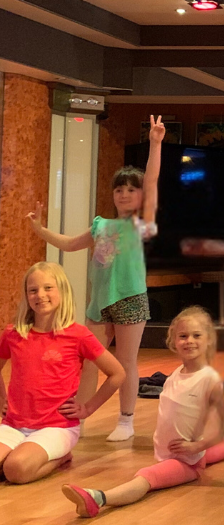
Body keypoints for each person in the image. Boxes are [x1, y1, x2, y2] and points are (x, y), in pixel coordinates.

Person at [61, 306, 224, 517]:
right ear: (173, 341)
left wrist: (196, 447)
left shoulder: (210, 380)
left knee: (147, 477)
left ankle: (99, 498)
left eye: (197, 335)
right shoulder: (176, 373)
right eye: (183, 336)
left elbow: (223, 427)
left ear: (209, 340)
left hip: (186, 461)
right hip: (173, 450)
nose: (189, 341)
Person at [27, 114, 165, 441]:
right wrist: (40, 230)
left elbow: (151, 182)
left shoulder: (141, 224)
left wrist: (155, 144)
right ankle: (79, 418)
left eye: (131, 190)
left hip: (130, 298)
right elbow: (69, 244)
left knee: (126, 362)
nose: (124, 194)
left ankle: (126, 420)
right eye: (119, 189)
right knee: (89, 361)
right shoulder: (101, 225)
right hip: (99, 302)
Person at [0, 262, 124, 484]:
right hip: (14, 424)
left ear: (62, 291)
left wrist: (88, 408)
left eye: (48, 288)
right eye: (33, 290)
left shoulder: (78, 335)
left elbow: (117, 374)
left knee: (15, 469)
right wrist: (1, 399)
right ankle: (27, 454)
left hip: (57, 426)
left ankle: (60, 457)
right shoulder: (14, 333)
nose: (40, 295)